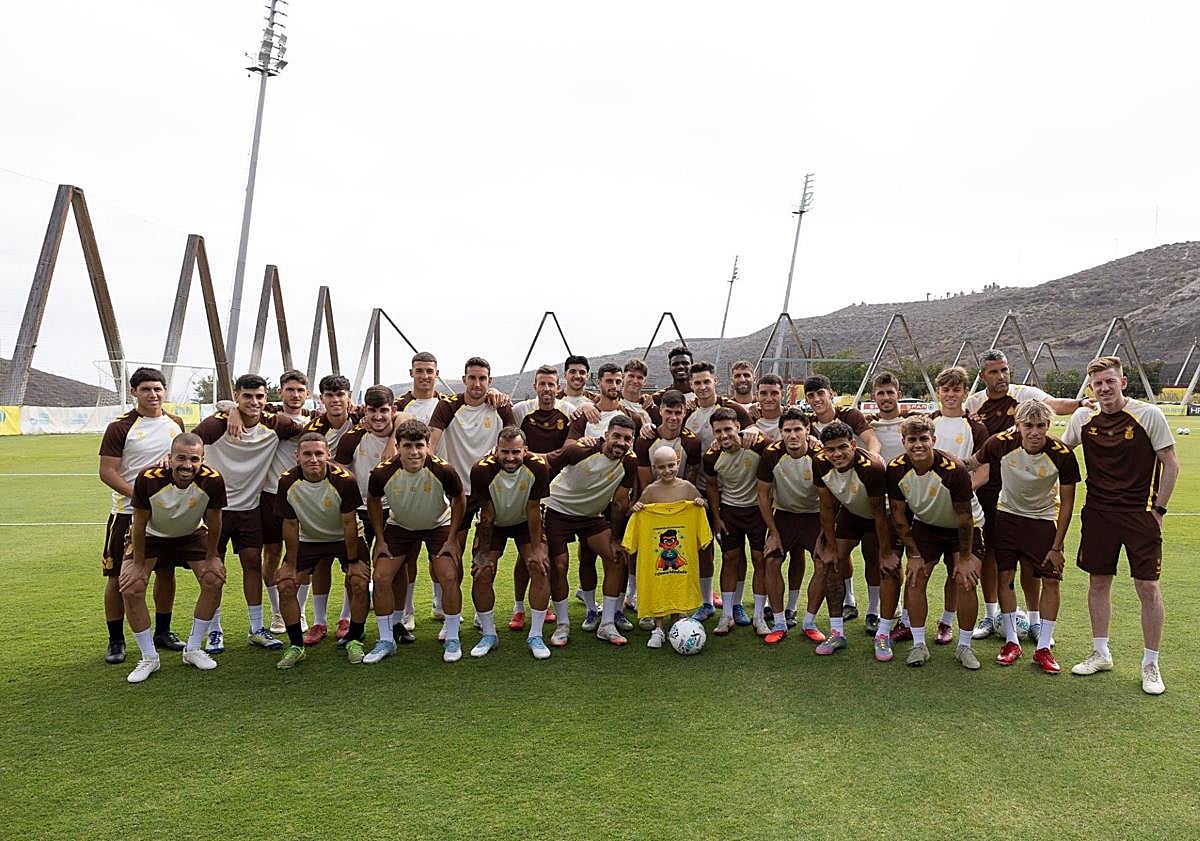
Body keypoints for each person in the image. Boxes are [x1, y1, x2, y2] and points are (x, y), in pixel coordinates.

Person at [1060, 357, 1179, 695]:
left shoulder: (1148, 415)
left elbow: (1170, 463)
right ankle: (1100, 652)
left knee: (1148, 588)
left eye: (1110, 381)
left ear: (1123, 383)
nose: (1104, 388)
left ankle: (1151, 663)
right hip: (1098, 515)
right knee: (1098, 582)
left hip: (1139, 515)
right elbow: (1061, 450)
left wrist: (1158, 510)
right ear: (1091, 388)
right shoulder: (1083, 417)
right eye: (1098, 384)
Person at [964, 349, 1086, 642]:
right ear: (983, 376)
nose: (1001, 376)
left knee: (1033, 563)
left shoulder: (1024, 395)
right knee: (992, 554)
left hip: (1027, 492)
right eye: (994, 372)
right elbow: (970, 452)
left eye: (1005, 370)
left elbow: (1054, 404)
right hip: (988, 488)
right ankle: (992, 615)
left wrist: (1082, 403)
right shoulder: (974, 402)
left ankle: (1033, 620)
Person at [193, 373, 304, 653]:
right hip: (216, 510)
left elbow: (307, 424)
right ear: (238, 396)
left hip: (249, 509)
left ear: (267, 399)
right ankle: (214, 631)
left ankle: (256, 627)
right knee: (213, 570)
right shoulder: (217, 424)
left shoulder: (274, 423)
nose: (254, 402)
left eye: (259, 397)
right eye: (247, 396)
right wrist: (229, 409)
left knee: (252, 564)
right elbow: (190, 443)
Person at [892, 366, 988, 646]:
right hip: (928, 513)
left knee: (958, 572)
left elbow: (985, 469)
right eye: (945, 389)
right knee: (917, 571)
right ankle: (908, 622)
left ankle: (946, 622)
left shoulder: (975, 426)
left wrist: (959, 490)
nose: (950, 394)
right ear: (938, 392)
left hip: (961, 511)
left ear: (965, 392)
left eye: (956, 389)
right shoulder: (927, 422)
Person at [120, 434, 226, 683]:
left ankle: (193, 649)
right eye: (180, 458)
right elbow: (139, 522)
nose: (186, 465)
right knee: (132, 587)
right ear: (170, 456)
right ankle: (149, 657)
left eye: (193, 459)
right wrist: (137, 564)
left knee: (214, 579)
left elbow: (215, 520)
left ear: (202, 460)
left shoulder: (212, 480)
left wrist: (212, 557)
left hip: (190, 534)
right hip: (151, 535)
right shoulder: (148, 478)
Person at [98, 366, 186, 664]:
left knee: (166, 571)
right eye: (146, 389)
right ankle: (115, 640)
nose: (153, 394)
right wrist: (138, 497)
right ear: (134, 392)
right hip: (127, 514)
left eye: (158, 389)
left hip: (167, 515)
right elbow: (107, 472)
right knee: (118, 577)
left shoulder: (175, 423)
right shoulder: (120, 427)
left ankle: (163, 631)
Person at [886, 415, 984, 669]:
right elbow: (898, 515)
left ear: (934, 440)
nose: (918, 445)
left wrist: (963, 559)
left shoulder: (954, 470)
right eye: (912, 440)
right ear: (904, 442)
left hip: (963, 528)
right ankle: (919, 645)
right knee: (916, 577)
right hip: (927, 525)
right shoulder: (896, 468)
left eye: (923, 439)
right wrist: (914, 554)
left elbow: (965, 518)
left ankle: (964, 646)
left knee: (965, 580)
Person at [366, 420, 466, 663]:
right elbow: (373, 500)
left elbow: (460, 499)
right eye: (407, 446)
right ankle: (386, 639)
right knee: (380, 577)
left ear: (428, 446)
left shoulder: (443, 470)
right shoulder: (382, 472)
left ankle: (453, 636)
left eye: (419, 445)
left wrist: (452, 539)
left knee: (449, 575)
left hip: (437, 525)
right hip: (400, 526)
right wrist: (380, 539)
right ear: (397, 446)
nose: (414, 452)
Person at [428, 357, 516, 625]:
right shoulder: (448, 407)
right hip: (457, 493)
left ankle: (481, 615)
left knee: (484, 556)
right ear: (464, 379)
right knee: (451, 552)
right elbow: (431, 442)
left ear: (489, 381)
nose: (477, 384)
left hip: (490, 492)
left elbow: (515, 441)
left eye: (482, 379)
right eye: (472, 378)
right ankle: (444, 609)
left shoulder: (500, 406)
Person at [273, 433, 370, 669]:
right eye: (307, 454)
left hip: (344, 537)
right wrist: (290, 563)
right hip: (309, 539)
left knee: (358, 581)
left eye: (318, 453)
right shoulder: (287, 481)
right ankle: (296, 645)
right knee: (285, 584)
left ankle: (355, 639)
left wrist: (354, 560)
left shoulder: (344, 480)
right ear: (297, 456)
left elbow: (349, 523)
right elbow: (290, 524)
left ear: (328, 455)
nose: (313, 459)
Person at [543, 415, 638, 647]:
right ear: (606, 435)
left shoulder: (629, 462)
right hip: (558, 511)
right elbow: (542, 462)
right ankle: (563, 624)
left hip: (591, 517)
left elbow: (619, 501)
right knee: (559, 564)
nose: (621, 443)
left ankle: (606, 624)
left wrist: (616, 538)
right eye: (616, 436)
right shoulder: (580, 450)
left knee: (616, 558)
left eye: (627, 439)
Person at [811, 421, 896, 656]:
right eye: (830, 449)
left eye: (842, 447)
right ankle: (837, 632)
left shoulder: (872, 467)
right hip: (851, 512)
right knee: (831, 562)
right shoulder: (819, 463)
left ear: (852, 444)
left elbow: (878, 514)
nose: (836, 454)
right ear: (824, 450)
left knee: (886, 567)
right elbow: (826, 508)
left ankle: (882, 631)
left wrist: (887, 553)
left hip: (882, 515)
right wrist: (830, 545)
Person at [468, 428, 552, 659]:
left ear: (525, 450)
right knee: (482, 571)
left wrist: (536, 549)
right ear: (496, 450)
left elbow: (534, 509)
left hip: (525, 520)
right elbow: (487, 513)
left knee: (539, 566)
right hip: (494, 523)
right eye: (504, 452)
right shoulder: (481, 470)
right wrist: (483, 553)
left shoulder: (538, 466)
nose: (510, 457)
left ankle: (536, 634)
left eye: (516, 452)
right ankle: (488, 634)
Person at [804, 374, 880, 621]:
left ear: (831, 393)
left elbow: (871, 440)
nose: (817, 399)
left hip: (862, 488)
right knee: (836, 551)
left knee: (873, 551)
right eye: (811, 396)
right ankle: (849, 600)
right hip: (833, 493)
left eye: (820, 394)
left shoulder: (849, 415)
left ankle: (876, 608)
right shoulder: (808, 423)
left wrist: (872, 460)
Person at [334, 385, 403, 643]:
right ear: (365, 411)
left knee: (395, 569)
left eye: (383, 410)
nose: (377, 417)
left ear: (393, 410)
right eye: (372, 410)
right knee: (356, 572)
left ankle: (397, 623)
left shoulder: (402, 434)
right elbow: (339, 470)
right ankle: (356, 626)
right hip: (361, 512)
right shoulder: (353, 437)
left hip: (393, 511)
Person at [623, 445, 710, 648]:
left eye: (671, 465)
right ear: (654, 468)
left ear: (678, 463)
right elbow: (638, 514)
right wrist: (636, 508)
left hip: (682, 560)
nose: (667, 471)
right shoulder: (651, 491)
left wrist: (700, 503)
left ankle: (680, 625)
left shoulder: (687, 487)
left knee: (679, 587)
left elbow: (703, 507)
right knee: (659, 590)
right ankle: (658, 628)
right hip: (656, 564)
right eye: (661, 467)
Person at [757, 408, 828, 644]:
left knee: (823, 561)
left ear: (808, 431)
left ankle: (809, 622)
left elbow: (828, 500)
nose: (793, 435)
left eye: (798, 429)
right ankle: (778, 623)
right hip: (785, 515)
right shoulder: (771, 455)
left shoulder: (820, 457)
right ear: (780, 433)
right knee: (771, 559)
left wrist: (824, 534)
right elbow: (762, 495)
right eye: (787, 430)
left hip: (814, 516)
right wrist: (774, 533)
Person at [507, 365, 570, 630]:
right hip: (525, 490)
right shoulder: (521, 411)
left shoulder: (568, 412)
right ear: (535, 386)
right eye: (542, 384)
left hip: (557, 492)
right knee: (526, 555)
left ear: (558, 387)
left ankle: (543, 607)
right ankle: (519, 607)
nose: (546, 389)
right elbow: (510, 442)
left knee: (548, 554)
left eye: (551, 384)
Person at [703, 408, 772, 637]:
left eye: (728, 429)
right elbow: (712, 487)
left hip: (757, 511)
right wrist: (717, 516)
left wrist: (756, 430)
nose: (724, 435)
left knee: (759, 559)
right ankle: (726, 616)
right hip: (730, 512)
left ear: (738, 428)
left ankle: (759, 617)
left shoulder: (756, 445)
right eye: (718, 431)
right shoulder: (711, 456)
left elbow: (777, 450)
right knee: (730, 559)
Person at [253, 370, 311, 640]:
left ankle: (298, 610)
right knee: (272, 553)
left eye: (300, 390)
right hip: (270, 495)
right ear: (281, 392)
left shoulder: (315, 421)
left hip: (303, 497)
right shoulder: (269, 418)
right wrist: (230, 410)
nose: (295, 395)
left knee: (302, 556)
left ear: (307, 394)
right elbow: (230, 407)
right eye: (290, 390)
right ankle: (278, 610)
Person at [750, 373, 786, 442]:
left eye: (774, 393)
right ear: (757, 395)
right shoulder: (750, 419)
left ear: (782, 394)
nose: (769, 399)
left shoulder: (793, 417)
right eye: (763, 393)